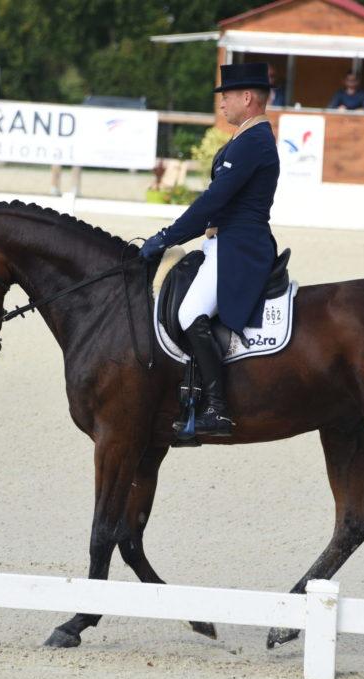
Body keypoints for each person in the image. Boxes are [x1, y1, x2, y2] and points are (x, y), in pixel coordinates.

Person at [140, 62, 280, 438]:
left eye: (227, 96)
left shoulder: (254, 141)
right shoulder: (244, 138)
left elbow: (214, 198)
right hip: (222, 241)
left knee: (190, 313)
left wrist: (168, 236)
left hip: (239, 247)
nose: (222, 103)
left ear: (247, 98)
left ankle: (218, 409)